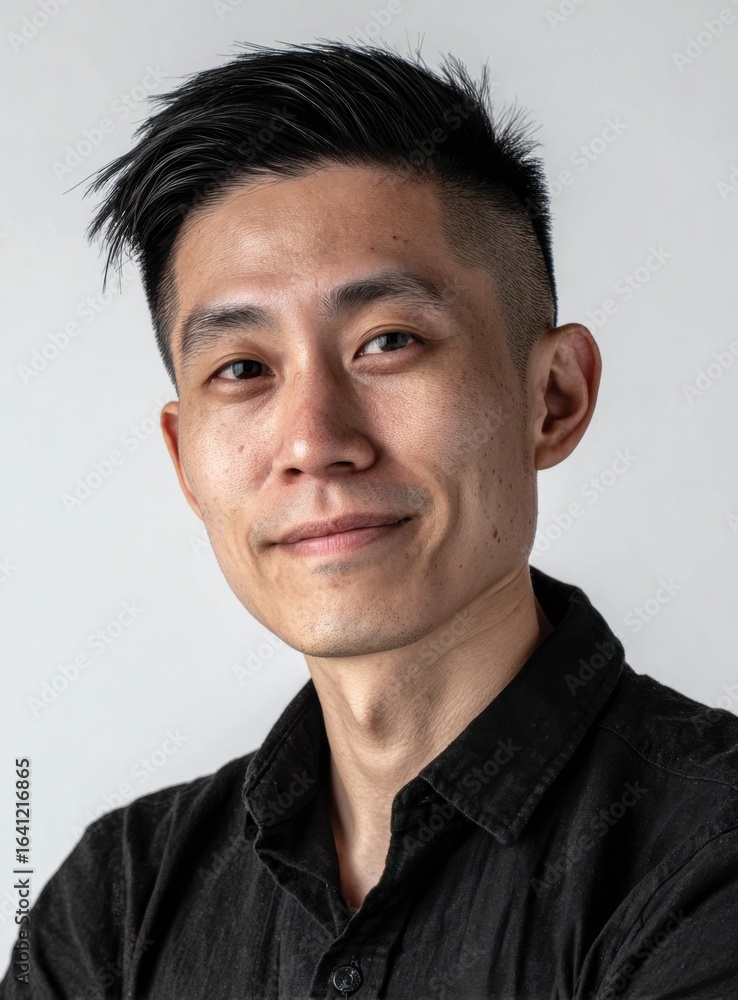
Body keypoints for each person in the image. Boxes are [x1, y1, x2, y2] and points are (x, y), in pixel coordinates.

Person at [3, 40, 737, 1000]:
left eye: (387, 341)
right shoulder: (118, 902)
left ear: (553, 398)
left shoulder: (707, 856)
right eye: (243, 369)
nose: (315, 440)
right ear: (186, 461)